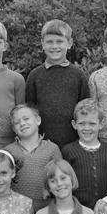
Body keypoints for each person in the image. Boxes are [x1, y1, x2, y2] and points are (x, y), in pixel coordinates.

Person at [24, 19, 89, 148]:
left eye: (59, 41)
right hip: (41, 144)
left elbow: (85, 110)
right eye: (49, 42)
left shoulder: (78, 76)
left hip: (73, 144)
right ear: (42, 44)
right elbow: (30, 110)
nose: (54, 46)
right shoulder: (34, 76)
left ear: (69, 43)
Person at [61, 98, 107, 209]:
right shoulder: (68, 151)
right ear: (74, 124)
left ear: (101, 124)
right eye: (82, 123)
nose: (87, 128)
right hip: (79, 209)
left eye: (92, 124)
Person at [5, 104, 62, 212]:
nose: (22, 123)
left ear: (38, 120)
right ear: (14, 129)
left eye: (26, 119)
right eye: (17, 123)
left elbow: (60, 177)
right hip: (17, 209)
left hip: (47, 208)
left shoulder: (52, 149)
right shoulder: (8, 151)